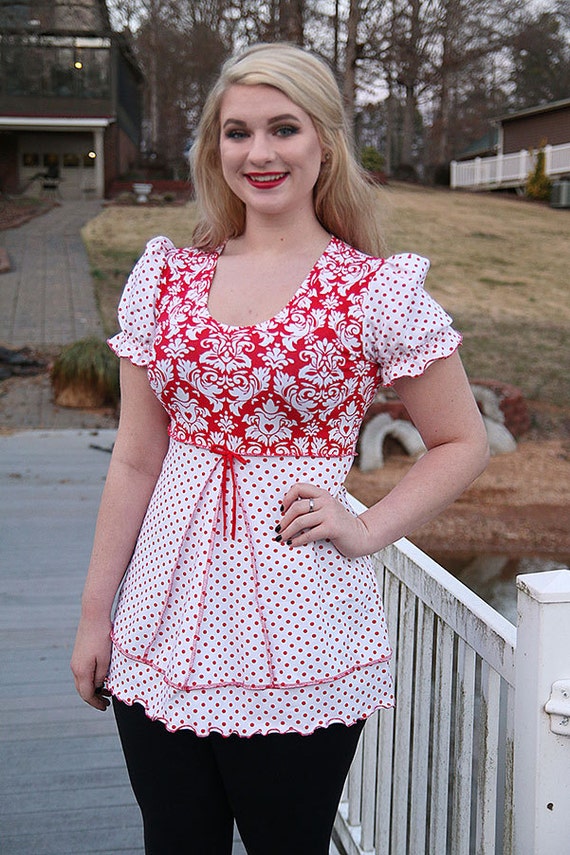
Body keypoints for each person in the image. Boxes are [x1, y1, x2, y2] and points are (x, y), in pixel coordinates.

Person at [71, 42, 489, 855]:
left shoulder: (375, 291)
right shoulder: (166, 279)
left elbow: (460, 440)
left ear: (324, 142)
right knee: (175, 840)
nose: (258, 153)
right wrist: (96, 616)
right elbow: (135, 457)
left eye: (283, 128)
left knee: (286, 843)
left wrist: (365, 527)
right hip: (161, 617)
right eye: (237, 133)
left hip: (300, 624)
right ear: (213, 148)